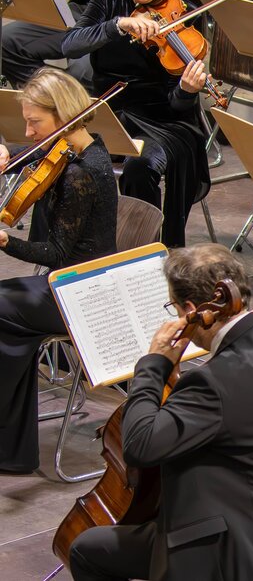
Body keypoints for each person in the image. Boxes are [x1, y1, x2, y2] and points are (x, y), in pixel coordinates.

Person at [68, 243, 253, 581]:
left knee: (87, 549)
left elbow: (140, 444)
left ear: (190, 309)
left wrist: (153, 365)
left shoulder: (212, 383)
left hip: (251, 548)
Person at [0, 68, 118, 474]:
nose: (30, 132)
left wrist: (5, 241)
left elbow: (55, 251)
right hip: (64, 282)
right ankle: (11, 445)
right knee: (7, 330)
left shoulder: (84, 172)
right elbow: (32, 154)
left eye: (34, 122)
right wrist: (8, 151)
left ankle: (11, 446)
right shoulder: (76, 147)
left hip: (82, 293)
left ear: (63, 114)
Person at [60, 0, 211, 248]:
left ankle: (145, 248)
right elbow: (69, 45)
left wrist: (186, 91)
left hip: (162, 120)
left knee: (139, 167)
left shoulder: (188, 15)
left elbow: (178, 106)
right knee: (59, 155)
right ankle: (73, 245)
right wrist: (116, 25)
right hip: (110, 111)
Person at [1, 0, 188, 88]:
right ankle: (52, 107)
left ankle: (87, 123)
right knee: (8, 41)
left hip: (140, 15)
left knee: (83, 70)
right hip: (94, 7)